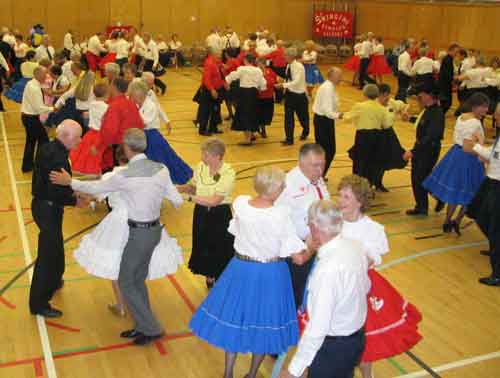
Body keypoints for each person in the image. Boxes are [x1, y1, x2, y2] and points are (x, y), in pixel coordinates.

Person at [50, 128, 183, 345]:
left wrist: (70, 182)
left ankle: (151, 328)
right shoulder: (161, 169)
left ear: (127, 149)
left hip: (138, 234)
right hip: (154, 231)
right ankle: (142, 325)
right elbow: (176, 200)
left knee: (126, 281)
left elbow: (95, 187)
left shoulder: (123, 175)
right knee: (136, 280)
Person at [190, 167, 308, 378]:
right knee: (265, 324)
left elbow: (235, 228)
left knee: (235, 321)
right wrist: (313, 244)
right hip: (271, 273)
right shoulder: (281, 214)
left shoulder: (241, 204)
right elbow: (297, 256)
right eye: (281, 186)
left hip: (240, 269)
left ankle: (228, 373)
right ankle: (252, 374)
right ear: (273, 190)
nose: (283, 189)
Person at [71, 145, 183, 317]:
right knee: (137, 266)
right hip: (144, 221)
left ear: (118, 158)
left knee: (114, 264)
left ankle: (121, 305)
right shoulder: (149, 172)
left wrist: (77, 192)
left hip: (117, 223)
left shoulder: (112, 175)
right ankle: (137, 304)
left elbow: (96, 193)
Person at [336, 175, 422, 378]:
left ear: (360, 201)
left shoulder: (372, 229)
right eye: (340, 195)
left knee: (364, 341)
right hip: (333, 284)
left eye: (346, 197)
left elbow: (372, 258)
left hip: (360, 288)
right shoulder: (334, 221)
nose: (340, 201)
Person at [280, 200, 370, 378]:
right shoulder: (356, 247)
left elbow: (318, 327)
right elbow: (366, 286)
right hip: (356, 339)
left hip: (333, 349)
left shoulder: (327, 269)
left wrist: (293, 370)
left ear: (314, 227)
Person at [29, 120, 84, 318]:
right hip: (48, 209)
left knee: (56, 249)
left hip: (46, 207)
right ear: (65, 136)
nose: (80, 140)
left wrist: (72, 193)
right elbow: (54, 190)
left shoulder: (51, 148)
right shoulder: (57, 158)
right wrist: (74, 200)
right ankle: (39, 303)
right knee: (47, 257)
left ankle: (54, 280)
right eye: (77, 137)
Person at [423, 93, 488, 234]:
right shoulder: (475, 122)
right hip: (469, 159)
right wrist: (484, 152)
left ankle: (447, 220)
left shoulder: (461, 117)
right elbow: (469, 146)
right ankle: (457, 221)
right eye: (484, 107)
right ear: (476, 106)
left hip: (455, 155)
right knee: (470, 193)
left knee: (456, 191)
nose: (486, 110)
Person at [275, 144, 329, 308]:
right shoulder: (288, 186)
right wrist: (299, 249)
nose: (320, 170)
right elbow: (280, 222)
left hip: (316, 245)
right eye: (315, 165)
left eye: (322, 164)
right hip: (298, 249)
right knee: (296, 294)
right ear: (301, 163)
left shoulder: (315, 179)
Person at [178, 138, 235, 289]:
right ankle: (209, 274)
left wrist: (187, 198)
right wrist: (177, 188)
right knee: (203, 244)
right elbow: (193, 187)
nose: (202, 157)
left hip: (219, 215)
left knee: (221, 246)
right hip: (201, 212)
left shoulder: (228, 173)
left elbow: (214, 201)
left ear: (217, 156)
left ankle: (221, 277)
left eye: (206, 154)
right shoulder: (201, 167)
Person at [129, 79, 192, 184]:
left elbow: (143, 123)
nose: (131, 97)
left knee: (163, 160)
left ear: (138, 94)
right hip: (141, 137)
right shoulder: (137, 104)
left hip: (151, 138)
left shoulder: (151, 105)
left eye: (133, 95)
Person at [463, 112, 500, 286]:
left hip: (497, 184)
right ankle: (494, 245)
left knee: (495, 226)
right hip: (491, 182)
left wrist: (476, 146)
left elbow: (496, 158)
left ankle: (498, 273)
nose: (496, 118)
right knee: (480, 215)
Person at [404, 83, 445, 216]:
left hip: (428, 150)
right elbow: (424, 123)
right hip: (423, 147)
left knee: (419, 177)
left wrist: (414, 151)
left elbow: (431, 135)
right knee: (420, 177)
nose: (419, 96)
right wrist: (411, 119)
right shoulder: (429, 110)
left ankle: (424, 206)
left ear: (429, 96)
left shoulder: (437, 113)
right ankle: (425, 205)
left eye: (421, 94)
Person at [344, 84, 392, 187]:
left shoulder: (360, 106)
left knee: (359, 161)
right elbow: (387, 124)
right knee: (371, 162)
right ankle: (368, 186)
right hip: (376, 137)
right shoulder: (381, 108)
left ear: (364, 94)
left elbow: (347, 118)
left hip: (362, 136)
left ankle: (356, 186)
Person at [69, 83, 113, 175]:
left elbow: (88, 114)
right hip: (100, 135)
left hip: (91, 133)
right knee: (97, 156)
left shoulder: (92, 104)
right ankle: (97, 172)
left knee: (86, 155)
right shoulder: (107, 107)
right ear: (106, 95)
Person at [373, 83, 409, 192]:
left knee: (385, 160)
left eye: (387, 94)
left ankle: (378, 183)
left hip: (388, 135)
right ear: (378, 95)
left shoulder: (392, 103)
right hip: (376, 135)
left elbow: (404, 105)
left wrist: (404, 112)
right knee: (374, 161)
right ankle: (369, 184)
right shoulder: (373, 105)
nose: (386, 97)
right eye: (383, 95)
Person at [226, 54, 267, 145]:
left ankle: (247, 139)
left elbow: (233, 76)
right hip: (254, 94)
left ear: (245, 60)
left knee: (244, 115)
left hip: (244, 94)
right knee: (252, 114)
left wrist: (226, 82)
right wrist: (261, 88)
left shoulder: (242, 69)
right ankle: (251, 135)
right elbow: (263, 83)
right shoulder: (258, 70)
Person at [20, 66, 54, 173]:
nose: (46, 76)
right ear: (38, 75)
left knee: (31, 141)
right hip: (31, 118)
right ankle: (39, 165)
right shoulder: (34, 88)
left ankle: (27, 166)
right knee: (44, 140)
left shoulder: (31, 83)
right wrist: (53, 109)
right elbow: (39, 108)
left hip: (28, 117)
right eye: (44, 74)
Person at [312, 67, 342, 180]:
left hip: (325, 121)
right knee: (328, 151)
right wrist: (339, 115)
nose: (341, 78)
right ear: (332, 76)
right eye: (339, 76)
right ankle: (318, 176)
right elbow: (327, 110)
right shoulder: (328, 88)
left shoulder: (330, 86)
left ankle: (319, 175)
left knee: (325, 151)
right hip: (323, 121)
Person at [100, 77, 144, 152]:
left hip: (119, 145)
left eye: (110, 85)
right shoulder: (131, 103)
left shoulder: (115, 106)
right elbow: (140, 123)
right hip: (133, 143)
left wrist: (104, 143)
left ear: (114, 87)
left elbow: (111, 129)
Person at [276, 48, 309, 146]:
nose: (284, 57)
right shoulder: (289, 65)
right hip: (290, 95)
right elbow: (289, 79)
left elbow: (296, 81)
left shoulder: (299, 66)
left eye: (285, 55)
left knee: (302, 117)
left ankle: (305, 131)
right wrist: (283, 82)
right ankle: (289, 139)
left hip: (299, 96)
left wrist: (283, 85)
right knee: (288, 117)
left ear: (291, 56)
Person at [197, 47, 225, 136]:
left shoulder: (217, 62)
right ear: (213, 54)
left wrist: (224, 83)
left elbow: (220, 74)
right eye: (219, 53)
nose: (221, 55)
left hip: (217, 89)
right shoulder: (209, 63)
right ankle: (203, 130)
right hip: (209, 90)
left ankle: (213, 128)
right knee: (206, 110)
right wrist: (212, 90)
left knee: (216, 110)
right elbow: (207, 79)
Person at [256, 56, 277, 138]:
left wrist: (265, 76)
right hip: (258, 97)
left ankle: (263, 130)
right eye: (257, 63)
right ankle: (260, 130)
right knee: (258, 114)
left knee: (266, 115)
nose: (258, 65)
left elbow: (273, 82)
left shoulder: (270, 71)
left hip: (268, 97)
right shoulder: (255, 71)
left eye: (259, 63)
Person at [438, 43, 459, 115]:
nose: (456, 54)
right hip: (444, 85)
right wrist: (454, 79)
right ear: (451, 50)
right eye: (456, 52)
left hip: (446, 85)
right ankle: (439, 115)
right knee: (446, 103)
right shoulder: (448, 59)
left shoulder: (449, 59)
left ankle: (440, 115)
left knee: (446, 103)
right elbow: (447, 74)